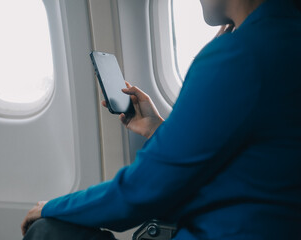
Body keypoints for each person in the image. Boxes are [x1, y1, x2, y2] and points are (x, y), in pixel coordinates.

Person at [21, 0, 301, 239]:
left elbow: (141, 192)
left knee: (47, 231)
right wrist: (158, 130)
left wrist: (49, 207)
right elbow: (248, 167)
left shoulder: (240, 55)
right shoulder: (285, 39)